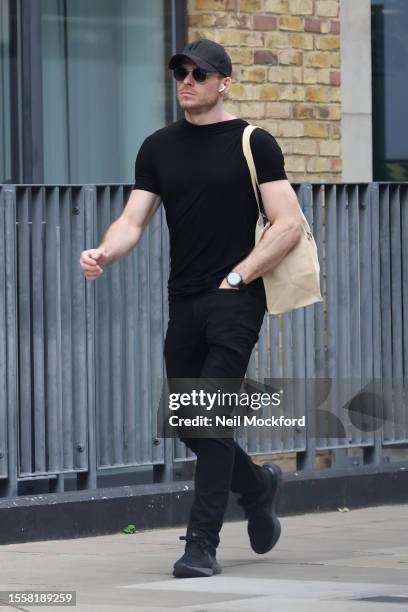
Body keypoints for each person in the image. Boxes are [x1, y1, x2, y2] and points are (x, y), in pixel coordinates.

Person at [79, 39, 303, 579]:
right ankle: (257, 486)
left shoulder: (255, 142)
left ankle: (201, 543)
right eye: (180, 72)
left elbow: (289, 224)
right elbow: (133, 220)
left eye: (199, 74)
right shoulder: (159, 147)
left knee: (209, 414)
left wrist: (237, 276)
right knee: (190, 422)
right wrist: (106, 250)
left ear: (224, 82)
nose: (186, 81)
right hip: (183, 300)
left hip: (236, 300)